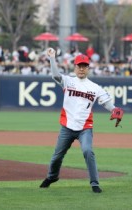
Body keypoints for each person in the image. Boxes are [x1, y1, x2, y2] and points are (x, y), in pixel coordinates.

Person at [39, 48, 124, 193]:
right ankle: (52, 177)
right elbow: (55, 74)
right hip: (67, 127)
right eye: (79, 66)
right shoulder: (68, 81)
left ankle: (95, 183)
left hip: (85, 127)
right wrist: (52, 58)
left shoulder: (95, 88)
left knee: (88, 151)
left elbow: (106, 103)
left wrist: (115, 110)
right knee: (56, 157)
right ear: (75, 67)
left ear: (88, 68)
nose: (81, 69)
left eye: (84, 66)